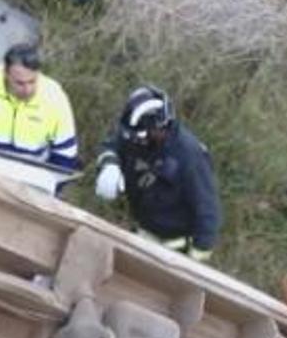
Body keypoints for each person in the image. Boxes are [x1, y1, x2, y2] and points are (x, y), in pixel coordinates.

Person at [94, 85, 221, 261]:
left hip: (174, 250)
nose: (136, 142)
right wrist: (109, 165)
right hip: (142, 233)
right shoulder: (136, 132)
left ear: (159, 128)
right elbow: (112, 145)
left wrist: (194, 260)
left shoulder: (188, 156)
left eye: (141, 136)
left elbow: (207, 211)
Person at [0, 44, 79, 170]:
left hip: (33, 172)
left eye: (32, 81)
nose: (27, 89)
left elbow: (65, 155)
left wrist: (49, 185)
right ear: (6, 74)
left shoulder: (55, 97)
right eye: (20, 83)